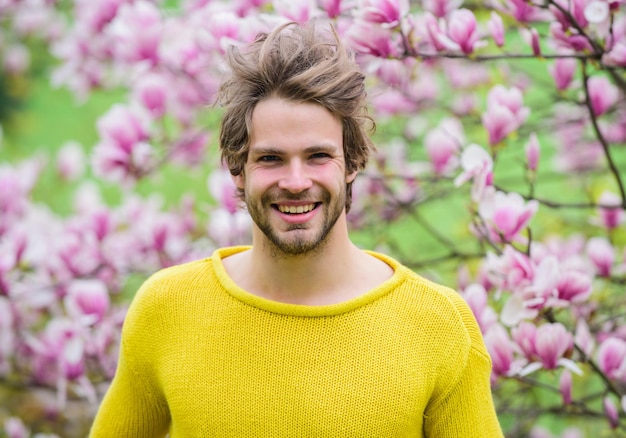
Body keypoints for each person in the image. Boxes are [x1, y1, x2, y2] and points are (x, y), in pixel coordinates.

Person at [89, 21, 504, 437]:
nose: (295, 181)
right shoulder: (165, 309)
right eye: (270, 159)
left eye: (318, 156)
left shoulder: (437, 324)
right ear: (238, 170)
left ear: (353, 163)